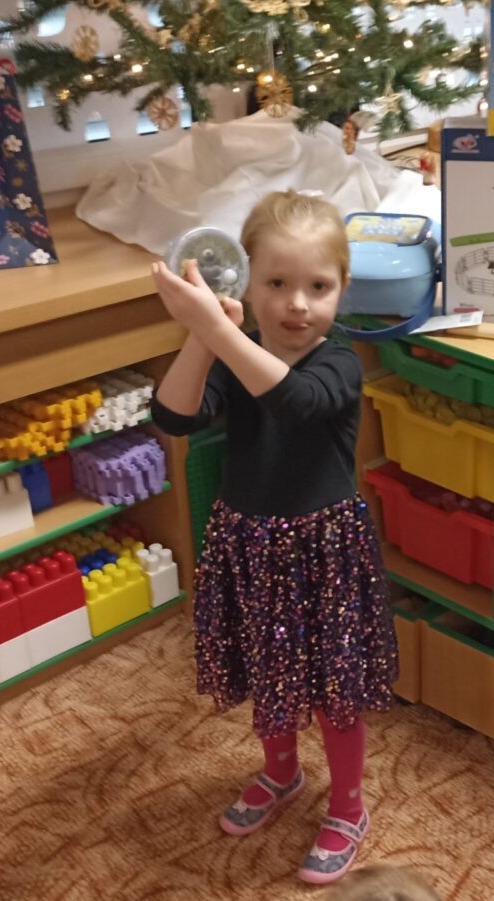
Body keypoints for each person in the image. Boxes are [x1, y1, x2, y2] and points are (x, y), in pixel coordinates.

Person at [148, 190, 397, 886]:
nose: (297, 305)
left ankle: (348, 805)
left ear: (343, 288)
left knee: (333, 690)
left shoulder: (339, 362)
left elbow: (295, 399)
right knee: (269, 671)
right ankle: (281, 772)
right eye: (277, 284)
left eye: (319, 287)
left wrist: (219, 330)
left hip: (323, 552)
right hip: (249, 545)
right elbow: (173, 417)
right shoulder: (238, 350)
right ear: (246, 284)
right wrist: (203, 335)